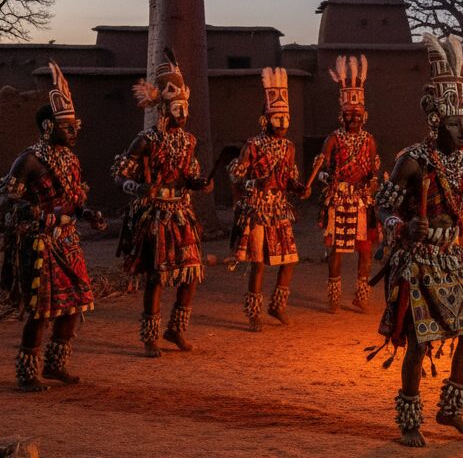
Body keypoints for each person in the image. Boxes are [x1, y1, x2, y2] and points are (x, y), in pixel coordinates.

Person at [373, 35, 463, 448]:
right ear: (436, 120)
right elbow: (382, 208)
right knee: (419, 343)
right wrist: (402, 227)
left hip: (451, 259)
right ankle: (409, 418)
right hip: (417, 261)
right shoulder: (412, 161)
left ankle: (451, 409)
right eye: (454, 124)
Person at [0, 62, 102, 391]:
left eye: (76, 126)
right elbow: (8, 201)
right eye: (67, 127)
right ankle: (28, 372)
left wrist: (86, 213)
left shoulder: (71, 160)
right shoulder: (28, 160)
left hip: (69, 242)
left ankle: (56, 365)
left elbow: (74, 199)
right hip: (40, 245)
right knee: (41, 311)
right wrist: (40, 216)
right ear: (47, 127)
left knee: (76, 304)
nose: (74, 132)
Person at [112, 49, 211, 357]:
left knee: (191, 272)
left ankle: (176, 329)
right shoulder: (146, 141)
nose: (183, 115)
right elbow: (119, 174)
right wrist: (138, 187)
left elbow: (191, 175)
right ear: (164, 109)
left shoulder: (189, 141)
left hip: (182, 214)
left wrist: (200, 183)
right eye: (177, 108)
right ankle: (150, 336)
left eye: (185, 108)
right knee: (157, 277)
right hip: (155, 215)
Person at [229, 67, 308, 330]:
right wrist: (255, 182)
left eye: (286, 118)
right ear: (266, 119)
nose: (283, 124)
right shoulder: (252, 145)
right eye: (278, 118)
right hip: (258, 208)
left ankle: (277, 306)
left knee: (289, 260)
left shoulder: (289, 148)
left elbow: (289, 179)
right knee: (259, 262)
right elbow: (236, 177)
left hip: (279, 208)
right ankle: (253, 313)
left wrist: (298, 188)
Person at [318, 55, 382, 313]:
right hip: (340, 200)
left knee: (365, 251)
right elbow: (322, 169)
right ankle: (334, 295)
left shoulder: (369, 140)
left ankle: (361, 295)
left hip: (361, 202)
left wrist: (373, 180)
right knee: (337, 250)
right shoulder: (333, 139)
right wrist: (326, 179)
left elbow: (373, 169)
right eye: (348, 114)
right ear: (341, 115)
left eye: (356, 114)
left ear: (364, 115)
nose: (352, 118)